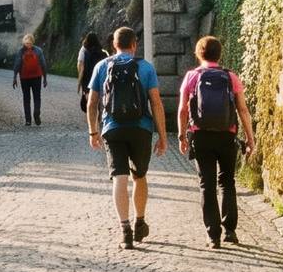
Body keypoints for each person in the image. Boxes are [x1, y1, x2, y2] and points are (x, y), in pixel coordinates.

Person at [85, 25, 167, 249]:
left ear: (114, 44)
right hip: (141, 129)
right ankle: (140, 222)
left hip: (112, 128)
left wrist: (93, 131)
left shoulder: (102, 66)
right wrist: (162, 136)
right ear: (134, 45)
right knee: (139, 175)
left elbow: (92, 103)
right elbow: (156, 103)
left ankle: (125, 231)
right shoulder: (146, 68)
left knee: (119, 178)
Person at [177, 34, 256, 249]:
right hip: (226, 135)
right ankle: (230, 230)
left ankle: (213, 235)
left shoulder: (192, 76)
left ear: (198, 54)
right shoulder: (230, 77)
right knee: (227, 181)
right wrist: (250, 139)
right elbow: (242, 109)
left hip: (201, 136)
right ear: (219, 54)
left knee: (207, 184)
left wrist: (182, 135)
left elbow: (183, 109)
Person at [10, 33, 49, 125]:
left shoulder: (21, 51)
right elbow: (43, 65)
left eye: (29, 43)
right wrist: (45, 78)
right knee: (37, 97)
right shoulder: (38, 50)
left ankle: (28, 120)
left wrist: (15, 77)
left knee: (26, 98)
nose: (28, 45)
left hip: (24, 78)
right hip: (36, 77)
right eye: (27, 43)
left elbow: (17, 65)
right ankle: (36, 113)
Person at [77, 30, 107, 113]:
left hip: (87, 78)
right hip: (100, 76)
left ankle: (91, 113)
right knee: (100, 95)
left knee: (88, 96)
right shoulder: (103, 53)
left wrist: (79, 83)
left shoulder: (85, 52)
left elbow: (81, 68)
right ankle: (99, 112)